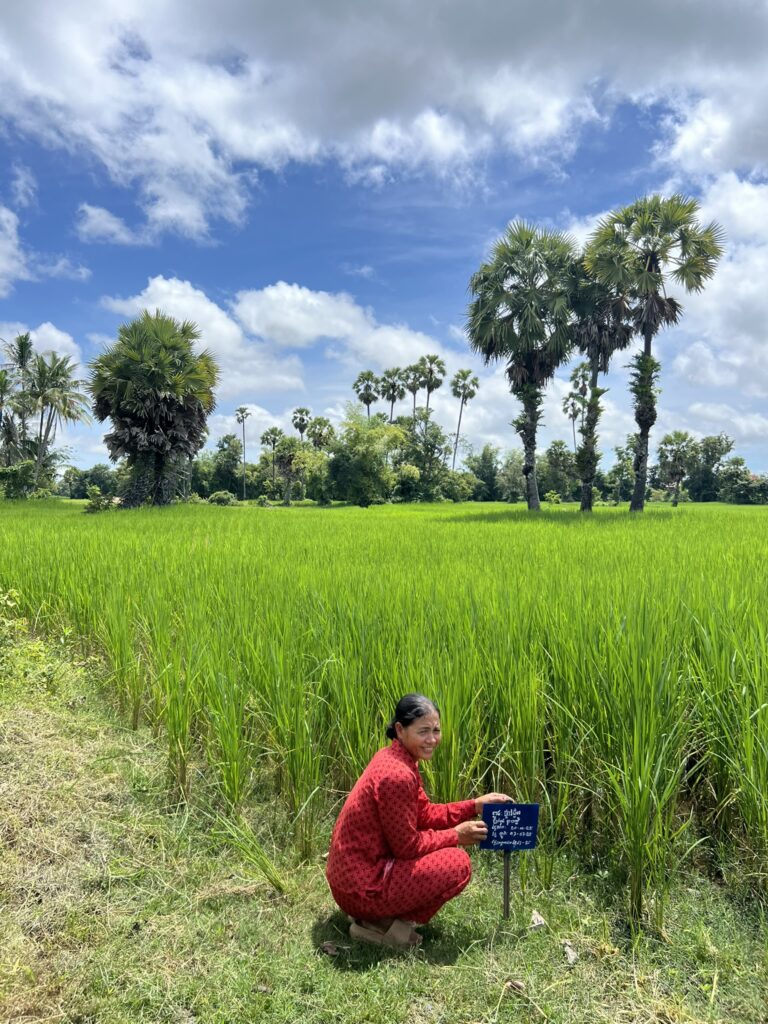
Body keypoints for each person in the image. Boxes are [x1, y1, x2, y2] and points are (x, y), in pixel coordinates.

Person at [326, 693, 512, 949]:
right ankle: (380, 926)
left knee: (447, 854)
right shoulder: (397, 775)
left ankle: (377, 918)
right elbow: (407, 847)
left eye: (436, 730)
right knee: (458, 864)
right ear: (400, 730)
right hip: (361, 889)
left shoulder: (395, 759)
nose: (433, 739)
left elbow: (423, 815)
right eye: (423, 731)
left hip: (352, 880)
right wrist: (456, 835)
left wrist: (474, 806)